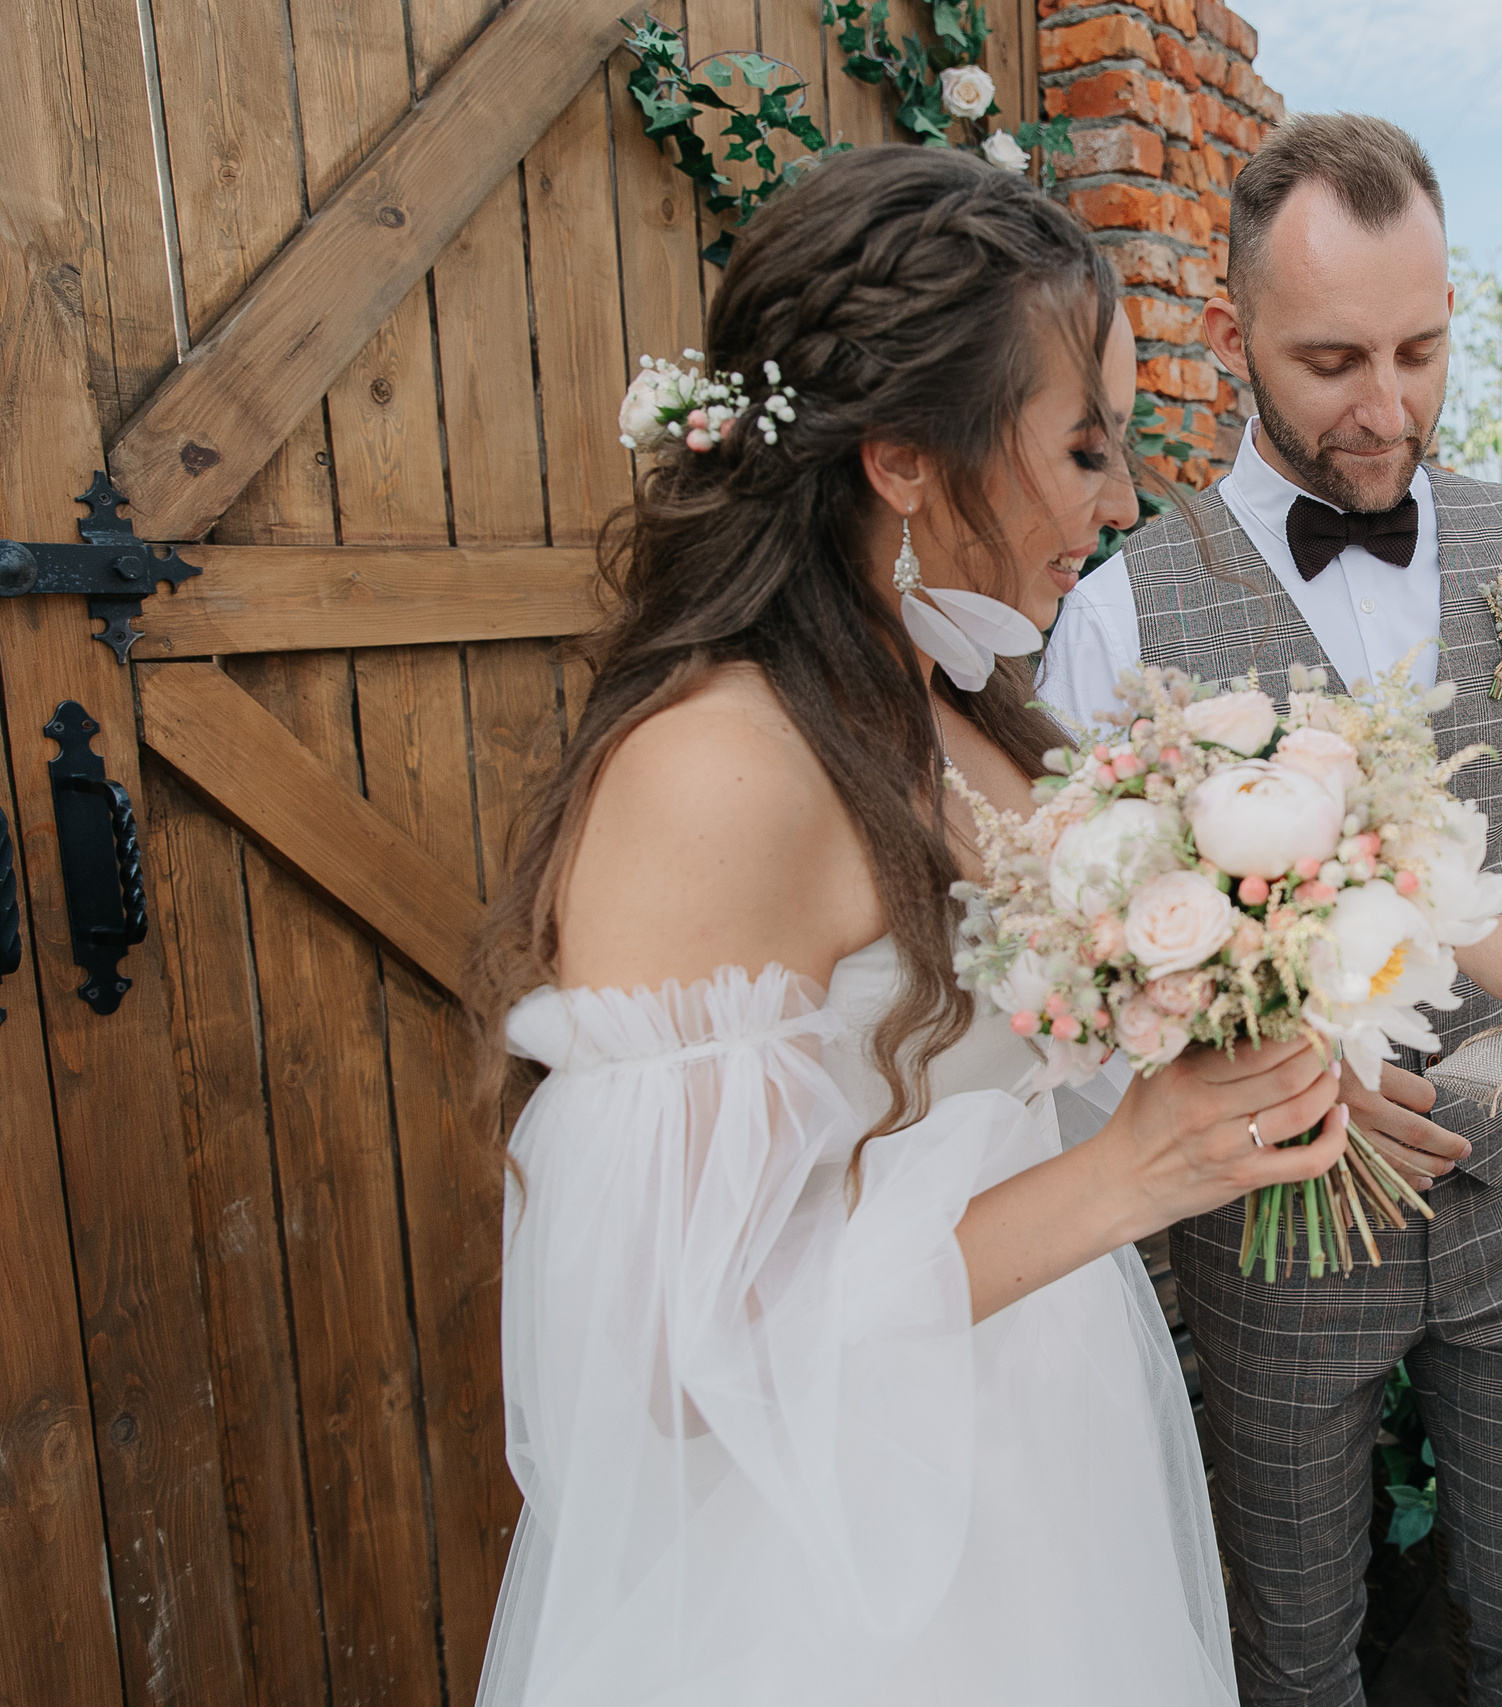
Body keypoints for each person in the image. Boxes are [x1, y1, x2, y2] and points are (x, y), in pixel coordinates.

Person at [466, 148, 1354, 1706]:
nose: (1124, 498)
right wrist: (1128, 1172)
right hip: (840, 1568)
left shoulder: (954, 693)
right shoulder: (714, 772)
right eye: (1082, 448)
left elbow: (1037, 1057)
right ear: (901, 462)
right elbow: (668, 1360)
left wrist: (1262, 1050)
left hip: (1040, 1467)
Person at [1039, 113, 1502, 1705]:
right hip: (1273, 1235)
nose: (1387, 406)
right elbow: (1090, 972)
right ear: (1230, 334)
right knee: (1289, 1654)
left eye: (1422, 347)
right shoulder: (1124, 601)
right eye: (1334, 357)